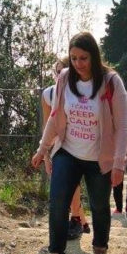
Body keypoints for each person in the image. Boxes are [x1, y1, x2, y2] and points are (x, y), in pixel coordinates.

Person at [31, 31, 127, 254]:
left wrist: (119, 163)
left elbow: (123, 125)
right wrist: (43, 148)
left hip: (99, 158)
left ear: (94, 57)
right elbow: (54, 117)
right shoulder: (64, 78)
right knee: (58, 202)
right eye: (73, 58)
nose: (78, 64)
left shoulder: (111, 81)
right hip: (68, 151)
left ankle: (99, 251)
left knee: (99, 206)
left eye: (83, 58)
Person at [41, 57, 91, 239]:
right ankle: (82, 221)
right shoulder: (49, 94)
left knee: (72, 183)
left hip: (80, 145)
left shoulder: (85, 93)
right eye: (58, 72)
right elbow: (46, 125)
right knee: (68, 185)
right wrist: (45, 154)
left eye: (65, 72)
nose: (60, 76)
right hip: (57, 148)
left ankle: (76, 219)